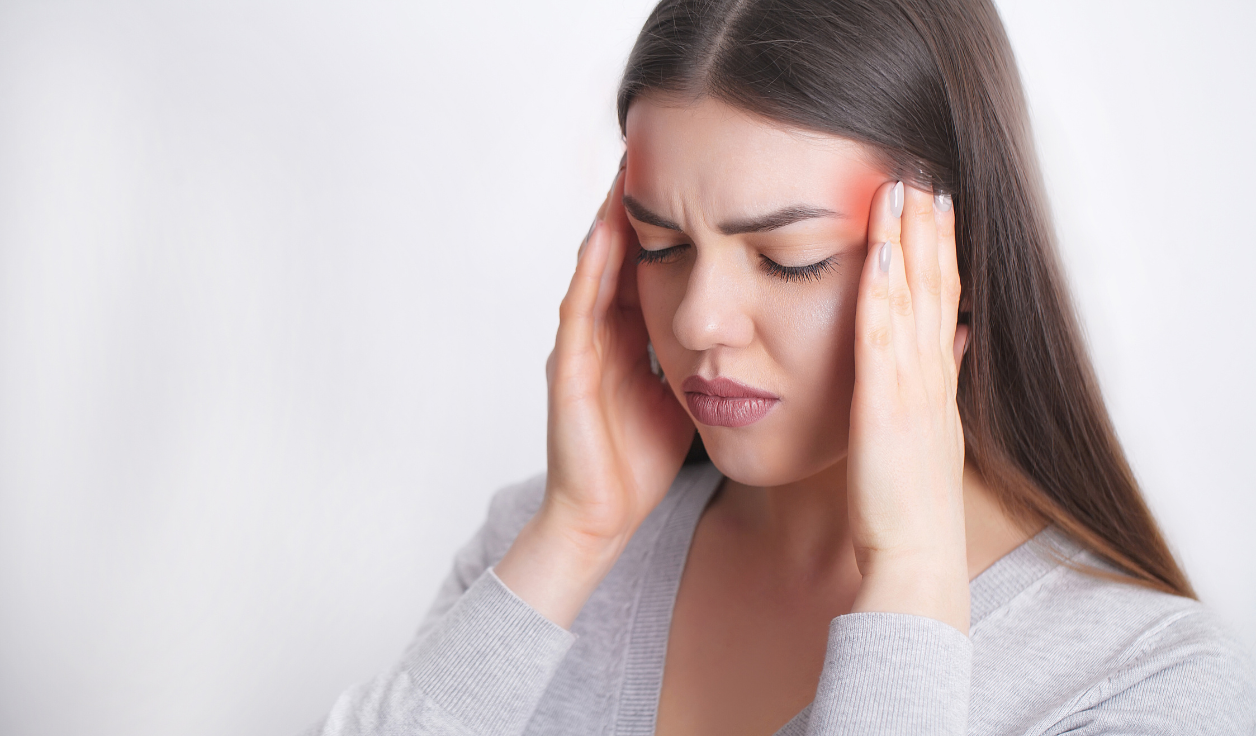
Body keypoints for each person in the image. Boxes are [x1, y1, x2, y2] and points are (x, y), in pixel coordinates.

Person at [305, 0, 1255, 733]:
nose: (699, 319)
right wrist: (573, 535)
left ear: (957, 265)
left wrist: (912, 585)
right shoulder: (535, 550)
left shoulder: (1145, 683)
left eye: (786, 257)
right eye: (660, 243)